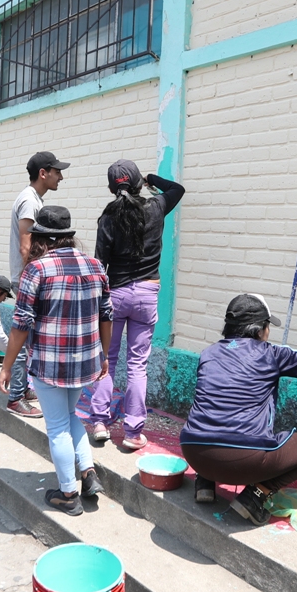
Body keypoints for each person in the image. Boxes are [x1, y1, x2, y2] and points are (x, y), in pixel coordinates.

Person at [179, 293, 297, 523]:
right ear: (259, 330)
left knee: (213, 418)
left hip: (193, 452)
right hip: (242, 458)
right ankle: (254, 497)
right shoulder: (271, 354)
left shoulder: (208, 353)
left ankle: (205, 484)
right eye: (268, 326)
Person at [0, 206, 111, 517]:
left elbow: (21, 322)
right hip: (87, 361)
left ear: (40, 239)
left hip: (50, 363)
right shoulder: (95, 266)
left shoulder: (37, 270)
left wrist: (7, 366)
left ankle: (68, 493)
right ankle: (87, 473)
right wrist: (103, 354)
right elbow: (106, 315)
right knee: (70, 415)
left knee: (58, 425)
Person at [89, 160, 185, 450]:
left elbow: (99, 264)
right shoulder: (155, 207)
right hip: (146, 294)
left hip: (115, 295)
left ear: (111, 187)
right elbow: (177, 189)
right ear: (138, 184)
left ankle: (100, 423)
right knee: (137, 365)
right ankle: (132, 433)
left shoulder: (107, 217)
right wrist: (150, 178)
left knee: (107, 361)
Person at [5, 151, 69, 419]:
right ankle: (16, 397)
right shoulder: (30, 202)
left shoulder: (32, 199)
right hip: (27, 281)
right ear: (43, 173)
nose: (61, 177)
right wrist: (40, 280)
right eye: (57, 171)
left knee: (30, 340)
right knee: (22, 338)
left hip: (27, 279)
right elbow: (25, 247)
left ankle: (23, 387)